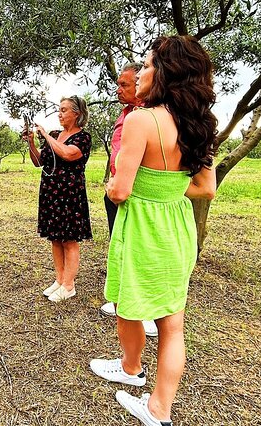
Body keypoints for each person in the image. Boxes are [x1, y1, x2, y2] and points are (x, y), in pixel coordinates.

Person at [89, 35, 217, 426]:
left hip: (144, 228)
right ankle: (159, 409)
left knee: (129, 302)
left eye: (146, 65)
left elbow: (121, 189)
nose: (140, 72)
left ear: (166, 73)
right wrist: (168, 189)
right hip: (178, 229)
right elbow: (205, 187)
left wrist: (113, 187)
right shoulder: (199, 125)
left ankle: (131, 369)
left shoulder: (141, 119)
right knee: (172, 323)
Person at [99, 63, 158, 338]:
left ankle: (146, 312)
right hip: (117, 188)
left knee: (140, 251)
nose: (118, 89)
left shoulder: (149, 116)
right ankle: (123, 299)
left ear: (143, 83)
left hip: (138, 193)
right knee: (120, 245)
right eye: (119, 84)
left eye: (125, 85)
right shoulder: (125, 114)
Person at [23, 96, 93, 302]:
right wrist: (32, 143)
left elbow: (69, 155)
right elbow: (39, 161)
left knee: (69, 239)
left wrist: (45, 134)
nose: (59, 114)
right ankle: (60, 280)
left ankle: (69, 285)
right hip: (51, 193)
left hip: (70, 194)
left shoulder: (83, 138)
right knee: (55, 237)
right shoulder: (56, 135)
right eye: (59, 110)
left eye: (64, 110)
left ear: (77, 114)